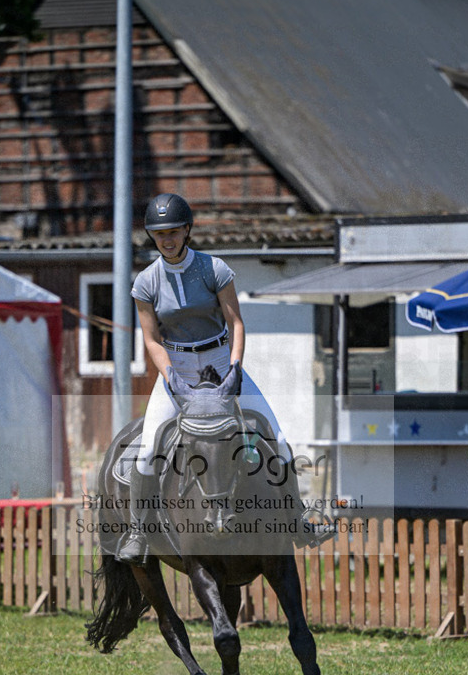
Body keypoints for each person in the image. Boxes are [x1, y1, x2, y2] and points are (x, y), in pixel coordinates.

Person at [117, 192, 320, 564]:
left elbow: (236, 323)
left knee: (279, 438)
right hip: (176, 368)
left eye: (174, 232)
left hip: (221, 360)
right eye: (159, 234)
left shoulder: (214, 269)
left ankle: (298, 519)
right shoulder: (145, 282)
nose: (167, 240)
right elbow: (150, 338)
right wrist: (170, 376)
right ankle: (137, 532)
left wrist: (236, 368)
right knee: (147, 452)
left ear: (187, 230)